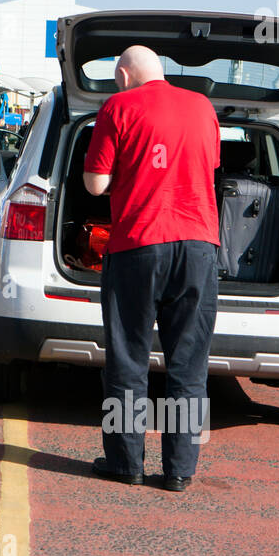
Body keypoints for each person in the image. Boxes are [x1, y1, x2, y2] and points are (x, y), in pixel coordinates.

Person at [82, 45, 220, 493]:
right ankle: (179, 470)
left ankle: (126, 463)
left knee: (128, 359)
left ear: (123, 74)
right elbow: (210, 167)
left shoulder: (117, 106)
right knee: (188, 363)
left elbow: (95, 183)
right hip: (199, 246)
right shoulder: (202, 107)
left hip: (138, 244)